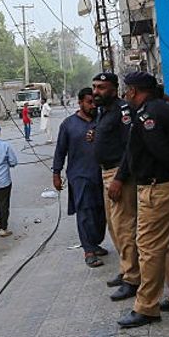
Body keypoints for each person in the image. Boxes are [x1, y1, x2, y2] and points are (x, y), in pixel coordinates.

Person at [113, 71, 169, 328]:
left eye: (127, 89)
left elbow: (160, 150)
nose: (125, 94)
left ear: (135, 90)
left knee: (149, 246)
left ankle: (146, 306)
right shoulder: (159, 109)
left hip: (160, 187)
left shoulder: (149, 114)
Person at [93, 72, 140, 301]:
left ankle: (133, 278)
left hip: (119, 175)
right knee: (114, 226)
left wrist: (120, 179)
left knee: (124, 227)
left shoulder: (123, 111)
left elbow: (130, 147)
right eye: (95, 87)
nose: (96, 91)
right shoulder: (104, 111)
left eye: (101, 87)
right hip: (106, 172)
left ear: (113, 88)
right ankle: (125, 269)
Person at [52, 88, 107, 268]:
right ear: (80, 102)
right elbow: (60, 150)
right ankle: (88, 250)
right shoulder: (68, 125)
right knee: (85, 212)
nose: (93, 106)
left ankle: (95, 241)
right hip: (79, 176)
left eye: (95, 103)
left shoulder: (102, 120)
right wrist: (56, 173)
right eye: (89, 102)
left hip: (102, 174)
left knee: (101, 213)